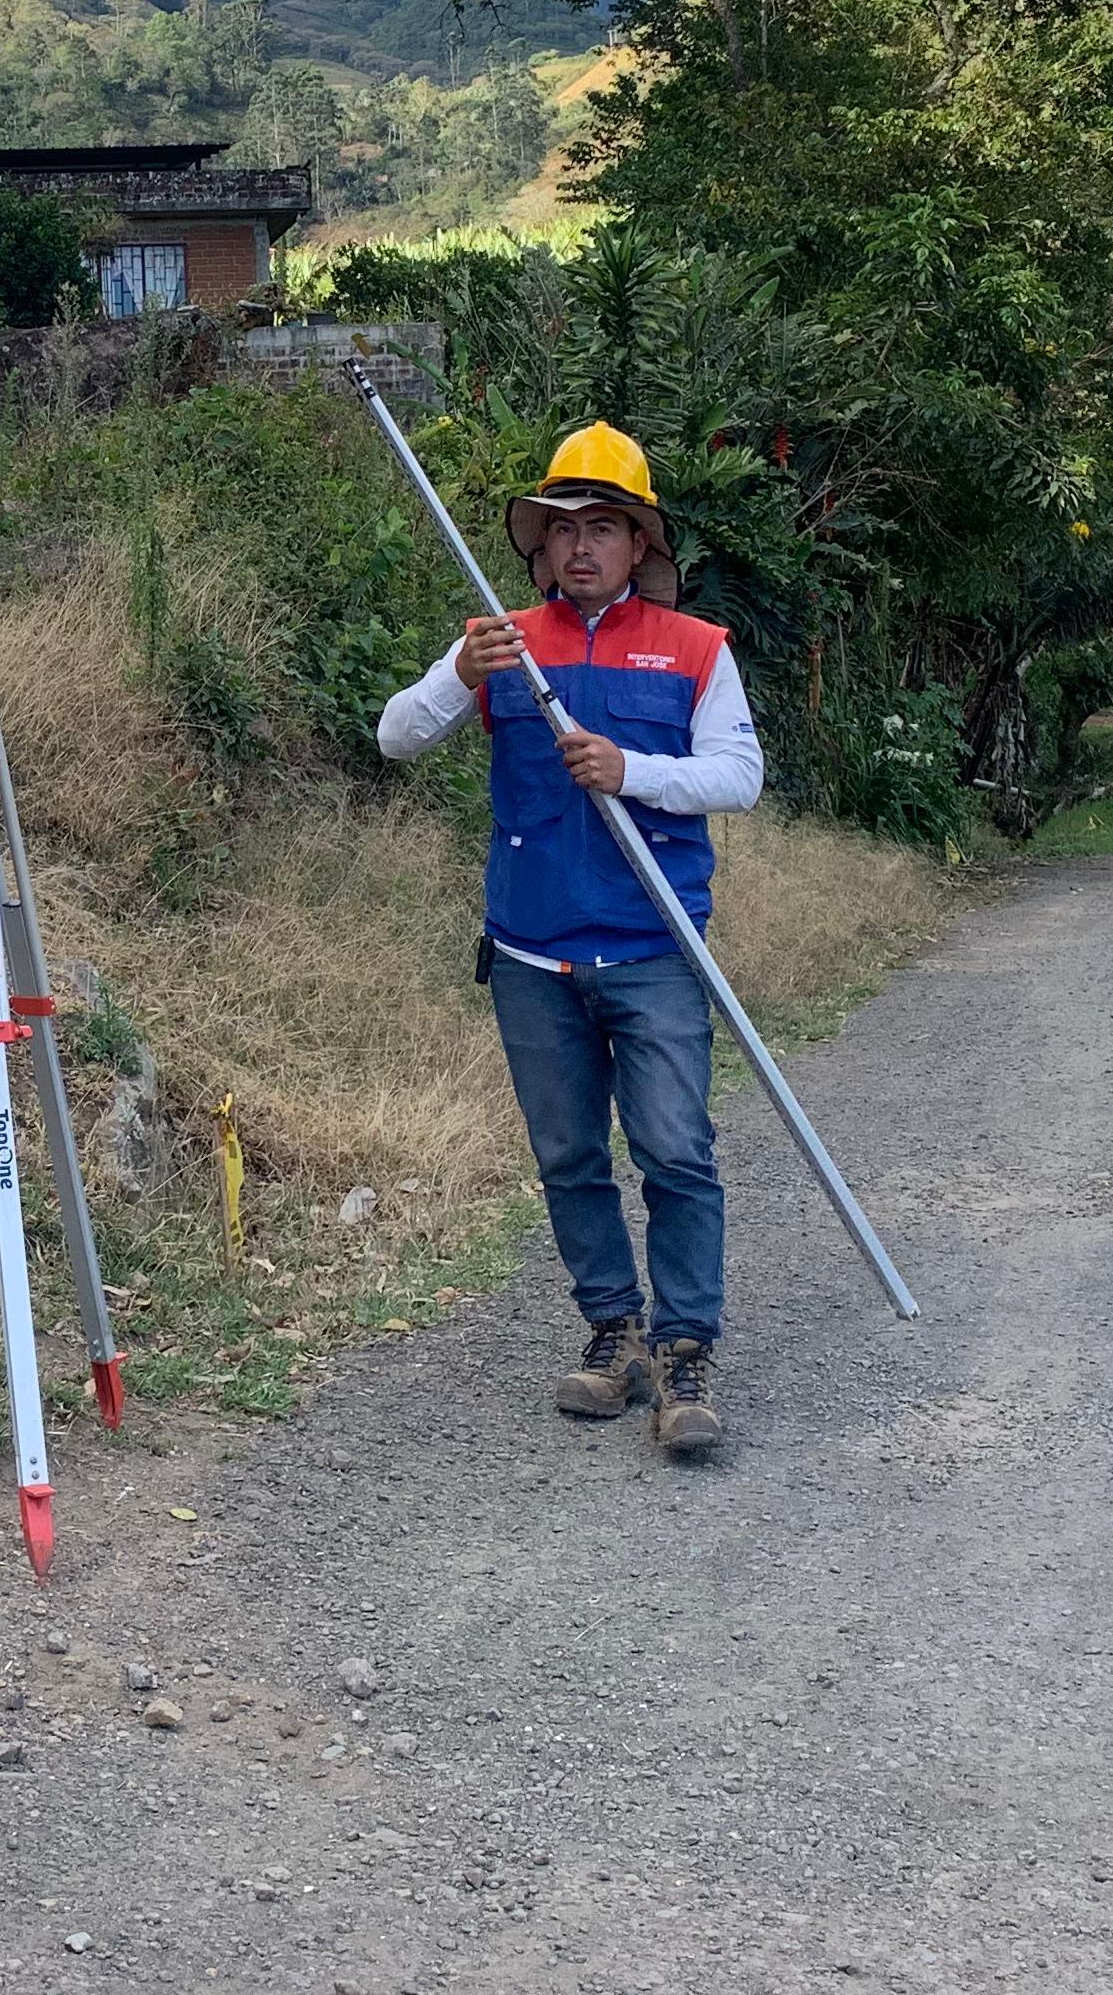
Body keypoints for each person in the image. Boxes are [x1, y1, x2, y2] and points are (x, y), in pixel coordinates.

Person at [376, 421, 763, 1456]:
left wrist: (631, 771)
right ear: (538, 547)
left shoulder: (697, 651)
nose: (580, 545)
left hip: (652, 948)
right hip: (531, 954)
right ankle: (615, 1333)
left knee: (677, 1151)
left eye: (604, 526)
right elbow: (396, 736)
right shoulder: (496, 641)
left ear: (640, 545)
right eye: (561, 528)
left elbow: (739, 777)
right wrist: (459, 673)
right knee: (569, 1157)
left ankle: (686, 1354)